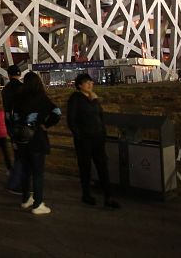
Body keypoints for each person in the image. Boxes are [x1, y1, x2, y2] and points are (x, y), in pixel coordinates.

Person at [67, 72, 121, 209]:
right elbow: (71, 120)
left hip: (97, 138)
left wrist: (103, 133)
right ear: (79, 85)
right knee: (85, 168)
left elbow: (99, 116)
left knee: (103, 167)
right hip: (84, 140)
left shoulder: (92, 97)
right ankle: (86, 195)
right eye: (87, 82)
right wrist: (78, 135)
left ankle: (108, 197)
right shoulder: (76, 99)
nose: (91, 84)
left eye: (91, 82)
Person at [13, 71, 61, 215]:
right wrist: (46, 124)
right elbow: (57, 112)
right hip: (37, 139)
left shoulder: (18, 97)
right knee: (38, 173)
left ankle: (26, 199)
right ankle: (38, 203)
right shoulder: (41, 98)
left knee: (26, 171)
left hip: (22, 139)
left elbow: (13, 117)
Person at [2, 64, 24, 193]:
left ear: (8, 75)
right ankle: (15, 183)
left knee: (18, 154)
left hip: (11, 123)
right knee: (22, 156)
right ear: (20, 74)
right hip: (22, 124)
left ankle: (15, 180)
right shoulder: (23, 88)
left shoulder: (6, 90)